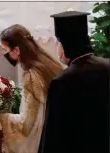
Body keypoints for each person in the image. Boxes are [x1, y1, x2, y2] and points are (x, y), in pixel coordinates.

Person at [0, 24, 64, 153]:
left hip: (43, 141)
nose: (4, 54)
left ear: (16, 50)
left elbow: (28, 125)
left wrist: (0, 117)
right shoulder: (48, 64)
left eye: (5, 50)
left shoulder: (32, 76)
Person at [38, 10, 110, 153]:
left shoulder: (63, 81)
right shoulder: (107, 66)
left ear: (65, 45)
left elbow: (54, 133)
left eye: (58, 42)